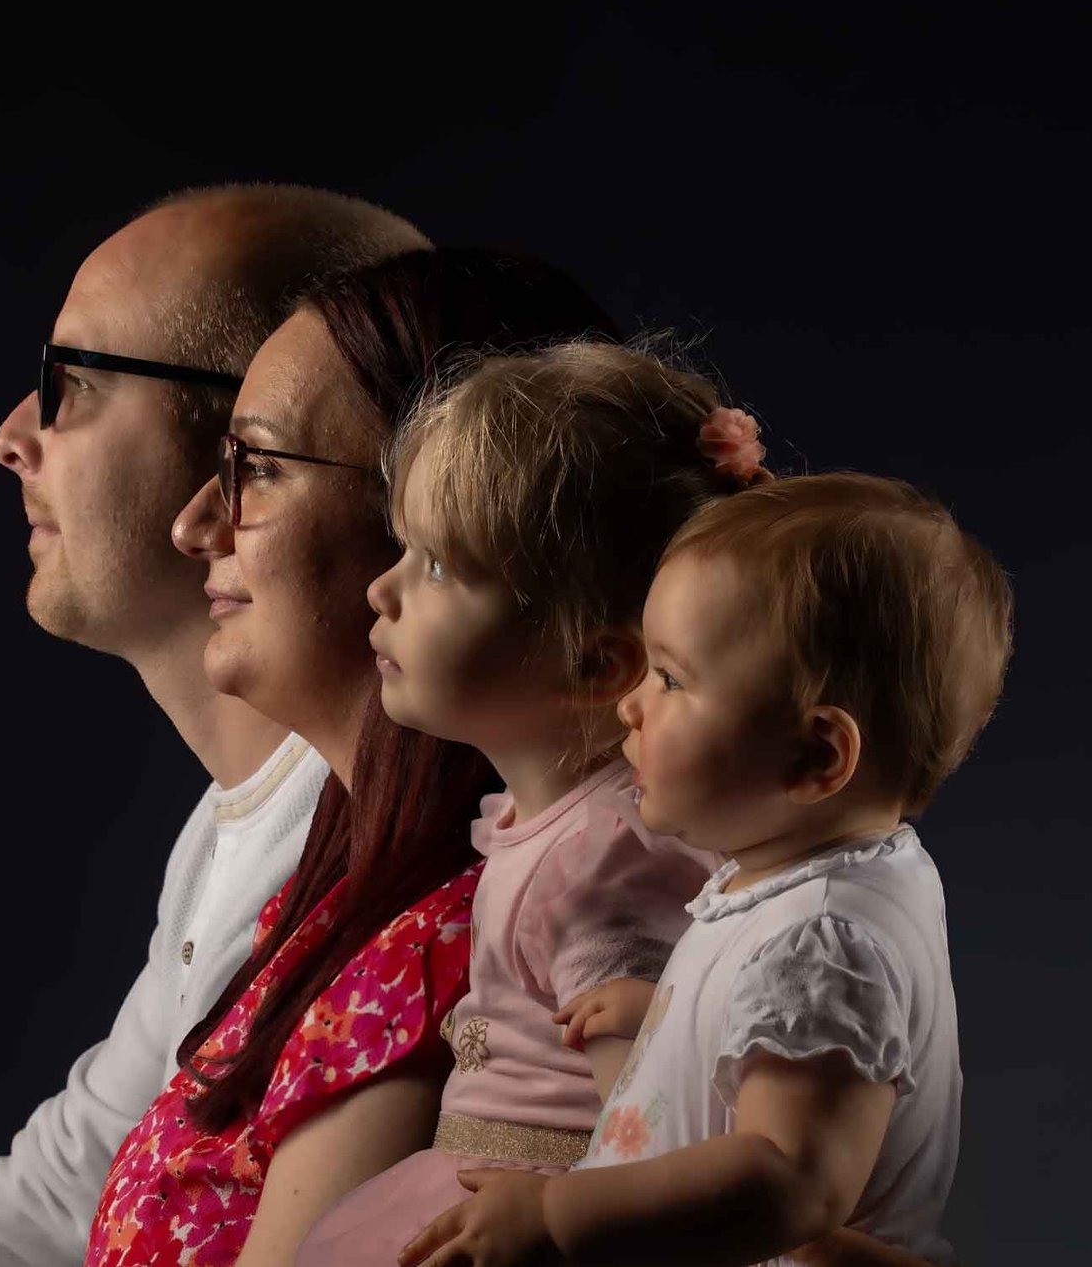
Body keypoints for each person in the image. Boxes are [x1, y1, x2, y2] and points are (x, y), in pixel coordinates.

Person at [84, 247, 624, 1267]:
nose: (196, 521)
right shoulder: (336, 907)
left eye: (260, 465)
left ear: (449, 519)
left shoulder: (467, 951)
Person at [0, 184, 431, 1267]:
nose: (16, 434)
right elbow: (55, 1189)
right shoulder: (229, 830)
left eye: (77, 383)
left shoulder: (424, 876)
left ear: (255, 436)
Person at [401, 468, 1013, 1267]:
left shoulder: (823, 940)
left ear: (815, 754)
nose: (630, 703)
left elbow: (792, 1178)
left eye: (670, 676)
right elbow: (786, 1056)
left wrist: (558, 1212)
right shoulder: (811, 878)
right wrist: (668, 1015)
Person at [294, 342, 771, 1266]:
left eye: (436, 567)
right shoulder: (563, 831)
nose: (381, 588)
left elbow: (648, 1119)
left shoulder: (603, 861)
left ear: (595, 663)